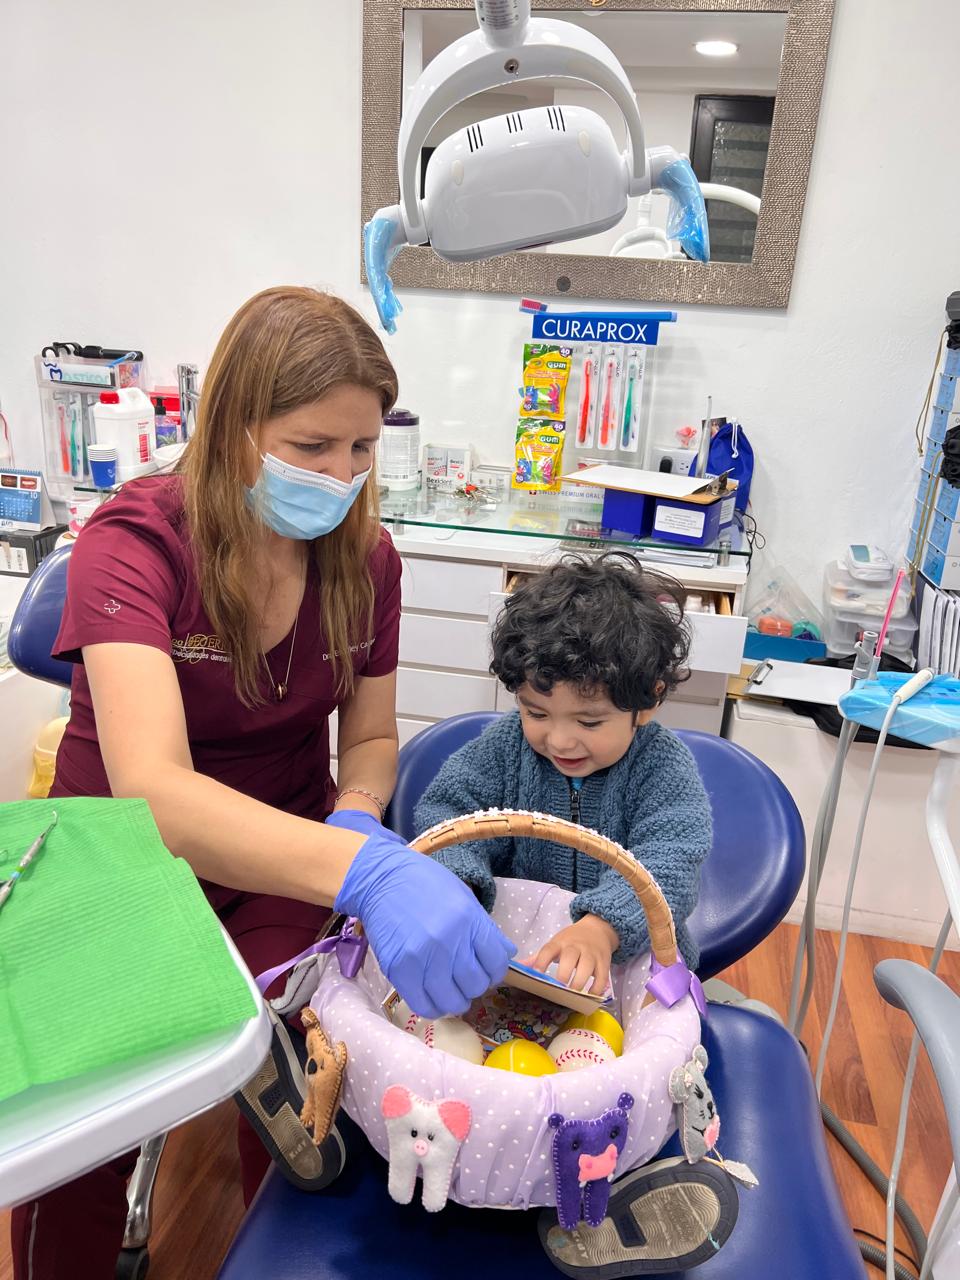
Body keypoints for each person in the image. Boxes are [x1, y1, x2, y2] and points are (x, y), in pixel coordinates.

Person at [11, 287, 512, 1280]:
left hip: (283, 855)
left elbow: (371, 735)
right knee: (81, 1123)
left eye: (361, 448)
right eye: (311, 446)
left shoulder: (365, 559)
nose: (341, 475)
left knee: (299, 1089)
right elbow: (154, 792)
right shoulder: (135, 541)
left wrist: (357, 821)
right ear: (235, 425)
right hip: (121, 859)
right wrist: (365, 873)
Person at [414, 552, 712, 997]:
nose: (559, 741)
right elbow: (449, 816)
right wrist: (459, 886)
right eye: (536, 713)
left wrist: (603, 927)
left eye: (589, 722)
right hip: (517, 960)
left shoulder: (662, 766)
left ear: (649, 701)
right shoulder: (505, 746)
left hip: (625, 967)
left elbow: (671, 862)